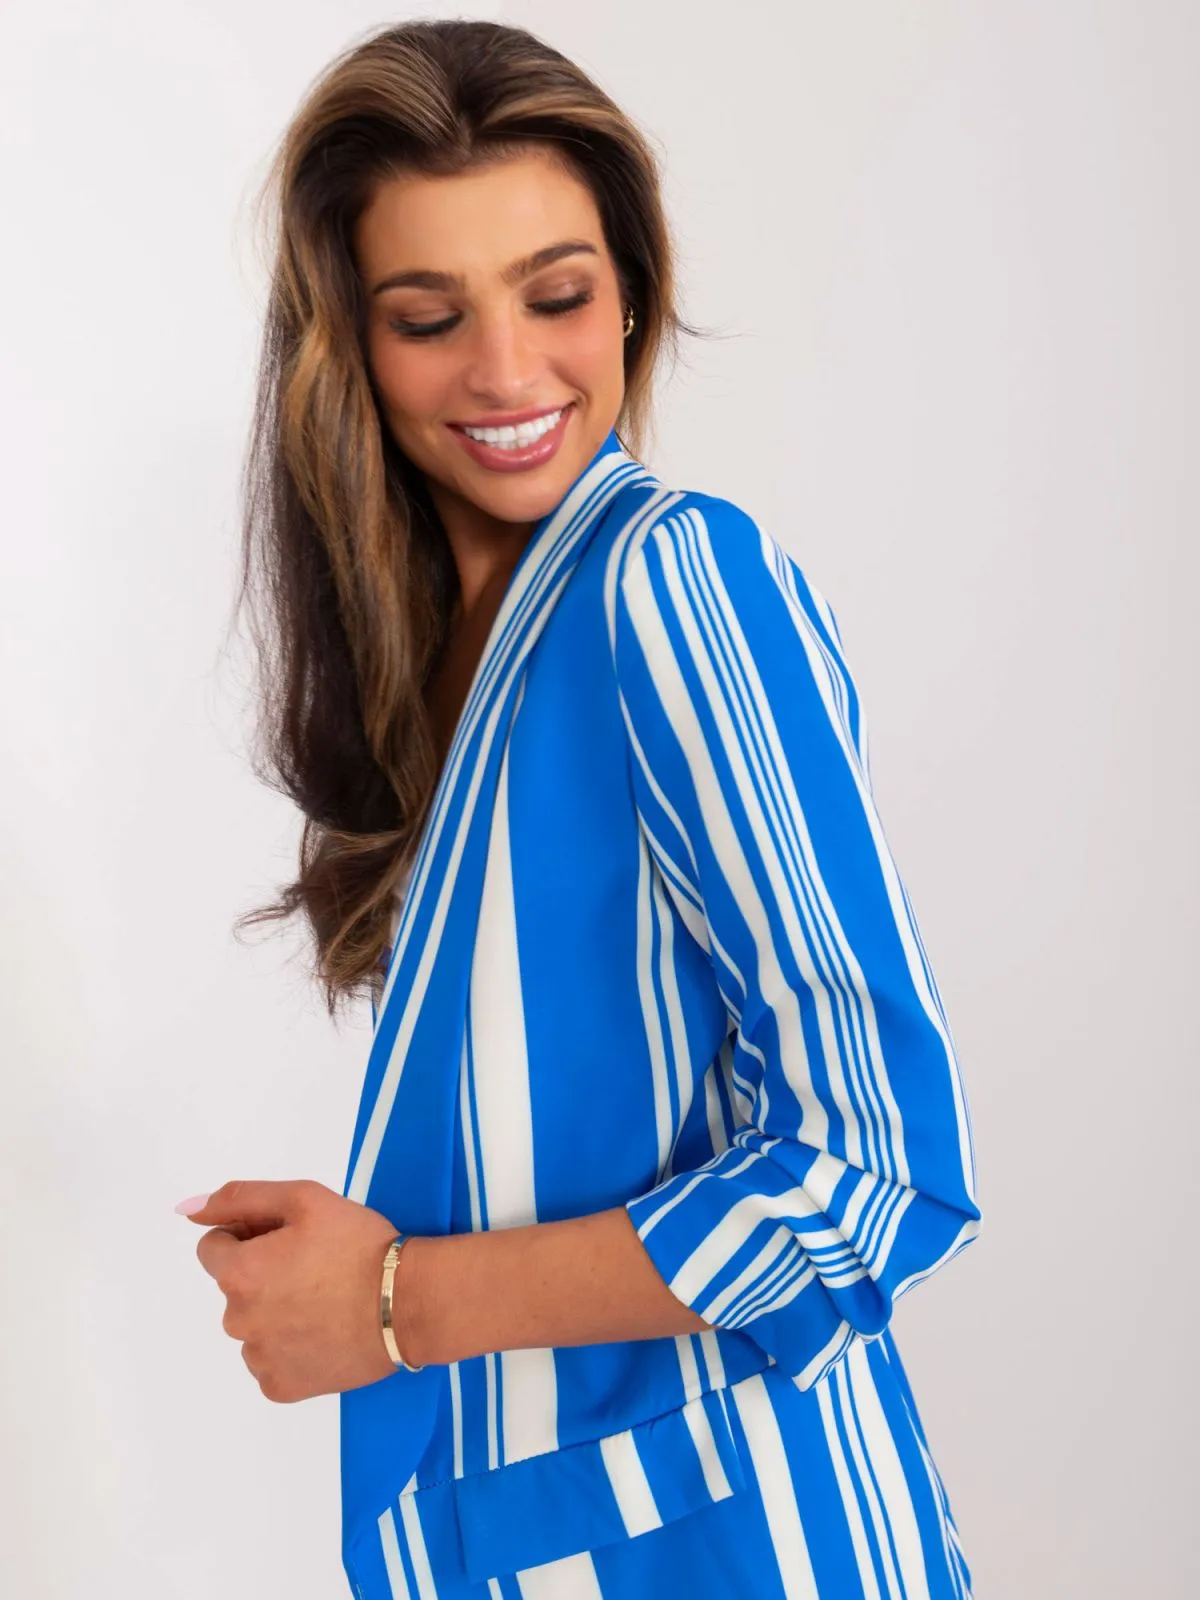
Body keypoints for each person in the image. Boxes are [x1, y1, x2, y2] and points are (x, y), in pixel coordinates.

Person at [176, 19, 983, 1599]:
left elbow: (876, 1171)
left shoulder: (672, 581)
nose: (505, 372)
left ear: (629, 291)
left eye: (553, 295)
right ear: (350, 348)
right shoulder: (459, 654)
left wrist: (392, 1303)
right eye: (428, 318)